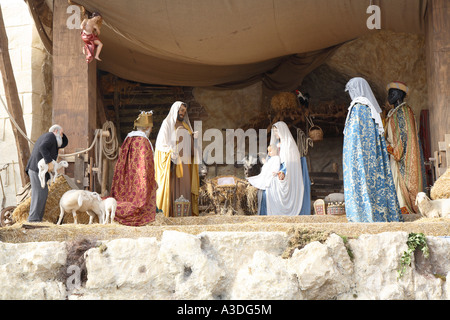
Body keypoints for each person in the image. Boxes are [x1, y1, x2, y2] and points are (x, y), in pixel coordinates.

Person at [343, 77, 401, 222]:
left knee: (362, 186)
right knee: (374, 185)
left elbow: (356, 139)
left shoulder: (358, 108)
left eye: (351, 91)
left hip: (359, 160)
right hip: (372, 159)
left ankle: (363, 216)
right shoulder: (369, 109)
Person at [384, 81, 426, 214]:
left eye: (392, 93)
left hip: (403, 156)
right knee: (394, 182)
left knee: (401, 183)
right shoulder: (393, 112)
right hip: (394, 155)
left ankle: (405, 209)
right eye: (389, 94)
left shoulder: (404, 111)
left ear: (399, 95)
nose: (389, 96)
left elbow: (405, 136)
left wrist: (392, 149)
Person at [110, 111, 157, 226]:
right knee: (139, 200)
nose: (151, 130)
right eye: (150, 128)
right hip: (139, 178)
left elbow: (121, 161)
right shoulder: (144, 141)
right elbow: (146, 164)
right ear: (147, 127)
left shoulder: (128, 139)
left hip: (127, 177)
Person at [154, 101, 199, 217]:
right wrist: (170, 152)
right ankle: (172, 215)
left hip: (186, 164)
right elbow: (160, 145)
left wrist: (194, 139)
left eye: (184, 111)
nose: (183, 113)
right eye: (181, 110)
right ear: (175, 110)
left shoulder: (186, 127)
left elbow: (192, 149)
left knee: (185, 188)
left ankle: (186, 216)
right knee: (173, 189)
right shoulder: (167, 124)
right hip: (173, 164)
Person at [259, 121, 304, 216]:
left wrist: (282, 172)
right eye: (274, 131)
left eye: (276, 131)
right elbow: (271, 158)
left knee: (272, 185)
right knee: (265, 184)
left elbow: (290, 163)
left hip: (285, 173)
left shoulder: (289, 145)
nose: (275, 134)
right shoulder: (275, 144)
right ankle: (267, 212)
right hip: (275, 171)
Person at [25, 124, 68, 222]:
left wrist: (61, 134)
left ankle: (38, 219)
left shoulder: (53, 138)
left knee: (43, 193)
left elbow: (63, 143)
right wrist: (49, 161)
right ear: (56, 132)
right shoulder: (50, 136)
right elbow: (42, 147)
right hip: (36, 169)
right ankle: (33, 219)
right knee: (38, 193)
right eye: (61, 134)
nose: (62, 136)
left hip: (40, 170)